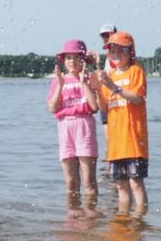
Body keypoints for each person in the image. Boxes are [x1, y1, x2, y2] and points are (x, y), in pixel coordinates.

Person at [97, 31, 148, 213]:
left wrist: (114, 87)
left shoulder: (136, 71)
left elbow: (137, 98)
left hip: (134, 140)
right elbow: (103, 108)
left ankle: (139, 220)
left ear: (130, 52)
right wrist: (95, 88)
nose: (116, 54)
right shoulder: (109, 77)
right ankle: (124, 219)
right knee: (120, 186)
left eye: (121, 51)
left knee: (135, 183)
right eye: (112, 51)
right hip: (116, 144)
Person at [48, 39, 100, 199]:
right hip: (65, 127)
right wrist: (60, 85)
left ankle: (91, 218)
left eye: (77, 57)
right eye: (69, 58)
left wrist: (84, 82)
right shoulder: (58, 81)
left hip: (84, 125)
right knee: (71, 182)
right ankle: (73, 216)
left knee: (89, 181)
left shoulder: (90, 78)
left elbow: (94, 107)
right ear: (64, 60)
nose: (73, 61)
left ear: (83, 60)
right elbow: (52, 108)